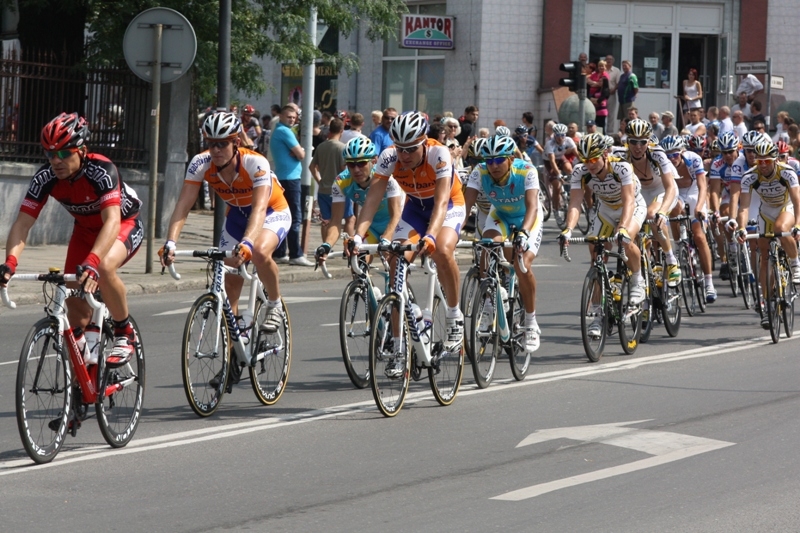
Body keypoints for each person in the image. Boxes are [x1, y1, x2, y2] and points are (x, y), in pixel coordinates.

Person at [1, 112, 143, 366]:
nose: (56, 160)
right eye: (50, 154)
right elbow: (22, 224)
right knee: (75, 311)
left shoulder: (102, 170)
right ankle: (83, 373)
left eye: (64, 153)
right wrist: (10, 262)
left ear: (82, 151)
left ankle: (124, 331)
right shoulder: (45, 177)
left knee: (104, 267)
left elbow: (112, 221)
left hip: (123, 225)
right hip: (85, 232)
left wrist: (92, 261)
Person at [161, 111, 291, 386]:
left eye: (222, 143)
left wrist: (247, 243)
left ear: (236, 143)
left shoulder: (255, 163)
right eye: (211, 143)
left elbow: (259, 209)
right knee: (228, 284)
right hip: (236, 218)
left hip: (272, 212)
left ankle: (274, 303)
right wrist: (171, 242)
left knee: (259, 252)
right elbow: (183, 204)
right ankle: (234, 355)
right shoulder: (200, 163)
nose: (216, 149)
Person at [353, 111, 467, 356]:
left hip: (449, 206)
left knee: (442, 250)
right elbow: (372, 200)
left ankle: (454, 315)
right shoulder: (389, 157)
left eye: (411, 149)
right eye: (400, 148)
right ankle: (399, 344)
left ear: (424, 142)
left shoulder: (439, 154)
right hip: (415, 208)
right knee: (395, 260)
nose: (404, 155)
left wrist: (431, 235)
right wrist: (357, 237)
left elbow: (441, 202)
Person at [559, 133, 648, 337]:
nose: (589, 165)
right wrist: (568, 229)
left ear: (605, 155)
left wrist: (622, 227)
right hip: (606, 210)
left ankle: (637, 280)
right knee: (596, 254)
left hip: (632, 206)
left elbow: (629, 200)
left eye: (593, 159)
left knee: (625, 240)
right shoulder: (580, 171)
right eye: (585, 160)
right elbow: (575, 203)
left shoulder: (621, 167)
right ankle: (598, 315)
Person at [464, 135, 543, 352]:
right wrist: (452, 233)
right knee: (486, 247)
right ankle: (490, 303)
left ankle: (530, 322)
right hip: (500, 215)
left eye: (499, 160)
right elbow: (466, 206)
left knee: (522, 264)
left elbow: (532, 206)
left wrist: (524, 233)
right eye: (489, 161)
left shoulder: (526, 171)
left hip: (527, 218)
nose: (494, 165)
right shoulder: (479, 172)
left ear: (510, 159)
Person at [734, 138, 800, 327]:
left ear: (775, 159)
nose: (762, 165)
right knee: (764, 257)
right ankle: (768, 303)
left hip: (786, 207)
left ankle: (795, 264)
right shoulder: (750, 176)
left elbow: (797, 200)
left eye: (767, 161)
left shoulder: (786, 172)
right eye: (759, 161)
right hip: (766, 212)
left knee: (781, 229)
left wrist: (798, 224)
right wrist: (741, 228)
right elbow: (744, 207)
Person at [613, 118, 682, 286]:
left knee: (653, 215)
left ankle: (671, 261)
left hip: (662, 190)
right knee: (633, 233)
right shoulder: (620, 155)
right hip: (641, 194)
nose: (638, 147)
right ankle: (647, 268)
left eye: (643, 142)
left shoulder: (657, 153)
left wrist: (663, 212)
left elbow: (670, 187)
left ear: (648, 141)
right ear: (627, 141)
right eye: (633, 142)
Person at [315, 137, 403, 266]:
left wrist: (387, 238)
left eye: (361, 163)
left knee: (394, 265)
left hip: (397, 224)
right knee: (357, 260)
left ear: (374, 161)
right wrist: (326, 245)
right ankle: (361, 279)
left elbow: (396, 215)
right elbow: (336, 221)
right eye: (351, 164)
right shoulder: (341, 182)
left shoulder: (386, 178)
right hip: (371, 226)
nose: (356, 169)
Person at [660, 135, 716, 302]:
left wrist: (699, 207)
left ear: (682, 152)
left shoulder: (694, 159)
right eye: (668, 156)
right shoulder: (663, 163)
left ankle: (709, 283)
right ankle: (679, 243)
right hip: (676, 192)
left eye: (675, 154)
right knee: (675, 210)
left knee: (699, 236)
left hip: (694, 192)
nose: (672, 159)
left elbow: (702, 186)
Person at [270, 104, 313, 266]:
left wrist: (296, 151)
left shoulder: (278, 130)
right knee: (295, 217)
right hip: (290, 178)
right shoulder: (285, 131)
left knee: (283, 216)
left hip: (283, 177)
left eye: (294, 118)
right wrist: (299, 150)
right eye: (289, 117)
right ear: (280, 116)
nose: (292, 120)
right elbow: (301, 154)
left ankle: (280, 252)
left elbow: (297, 153)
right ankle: (295, 254)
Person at [708, 131, 747, 280]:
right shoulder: (717, 164)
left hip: (746, 193)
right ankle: (731, 248)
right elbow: (714, 191)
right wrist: (716, 212)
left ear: (737, 148)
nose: (728, 155)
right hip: (729, 193)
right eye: (724, 152)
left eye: (731, 151)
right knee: (724, 214)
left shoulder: (744, 159)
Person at [310, 117, 353, 241]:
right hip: (340, 189)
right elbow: (344, 169)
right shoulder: (342, 148)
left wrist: (319, 181)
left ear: (330, 130)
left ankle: (326, 246)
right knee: (350, 218)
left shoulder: (321, 146)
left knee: (326, 220)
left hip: (323, 189)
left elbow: (312, 166)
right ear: (342, 131)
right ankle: (348, 245)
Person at [544, 123, 577, 213]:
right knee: (557, 187)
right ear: (554, 135)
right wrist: (558, 174)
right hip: (549, 161)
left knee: (570, 169)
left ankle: (571, 189)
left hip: (561, 157)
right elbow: (552, 161)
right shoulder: (550, 144)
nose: (560, 138)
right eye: (558, 135)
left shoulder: (568, 140)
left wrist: (585, 163)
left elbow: (577, 154)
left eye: (562, 135)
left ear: (565, 135)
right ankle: (556, 209)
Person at [587, 59, 610, 131]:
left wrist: (593, 83)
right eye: (599, 66)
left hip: (601, 110)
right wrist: (595, 84)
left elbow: (600, 100)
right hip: (595, 107)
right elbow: (587, 80)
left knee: (601, 127)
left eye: (602, 66)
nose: (601, 67)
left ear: (605, 67)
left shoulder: (605, 76)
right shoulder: (595, 74)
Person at [605, 55, 622, 134]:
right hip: (601, 94)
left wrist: (614, 89)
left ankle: (610, 132)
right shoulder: (602, 69)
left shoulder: (616, 70)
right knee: (601, 113)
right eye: (607, 59)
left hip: (611, 94)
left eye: (610, 59)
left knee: (611, 114)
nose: (609, 61)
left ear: (613, 61)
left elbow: (618, 83)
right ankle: (601, 130)